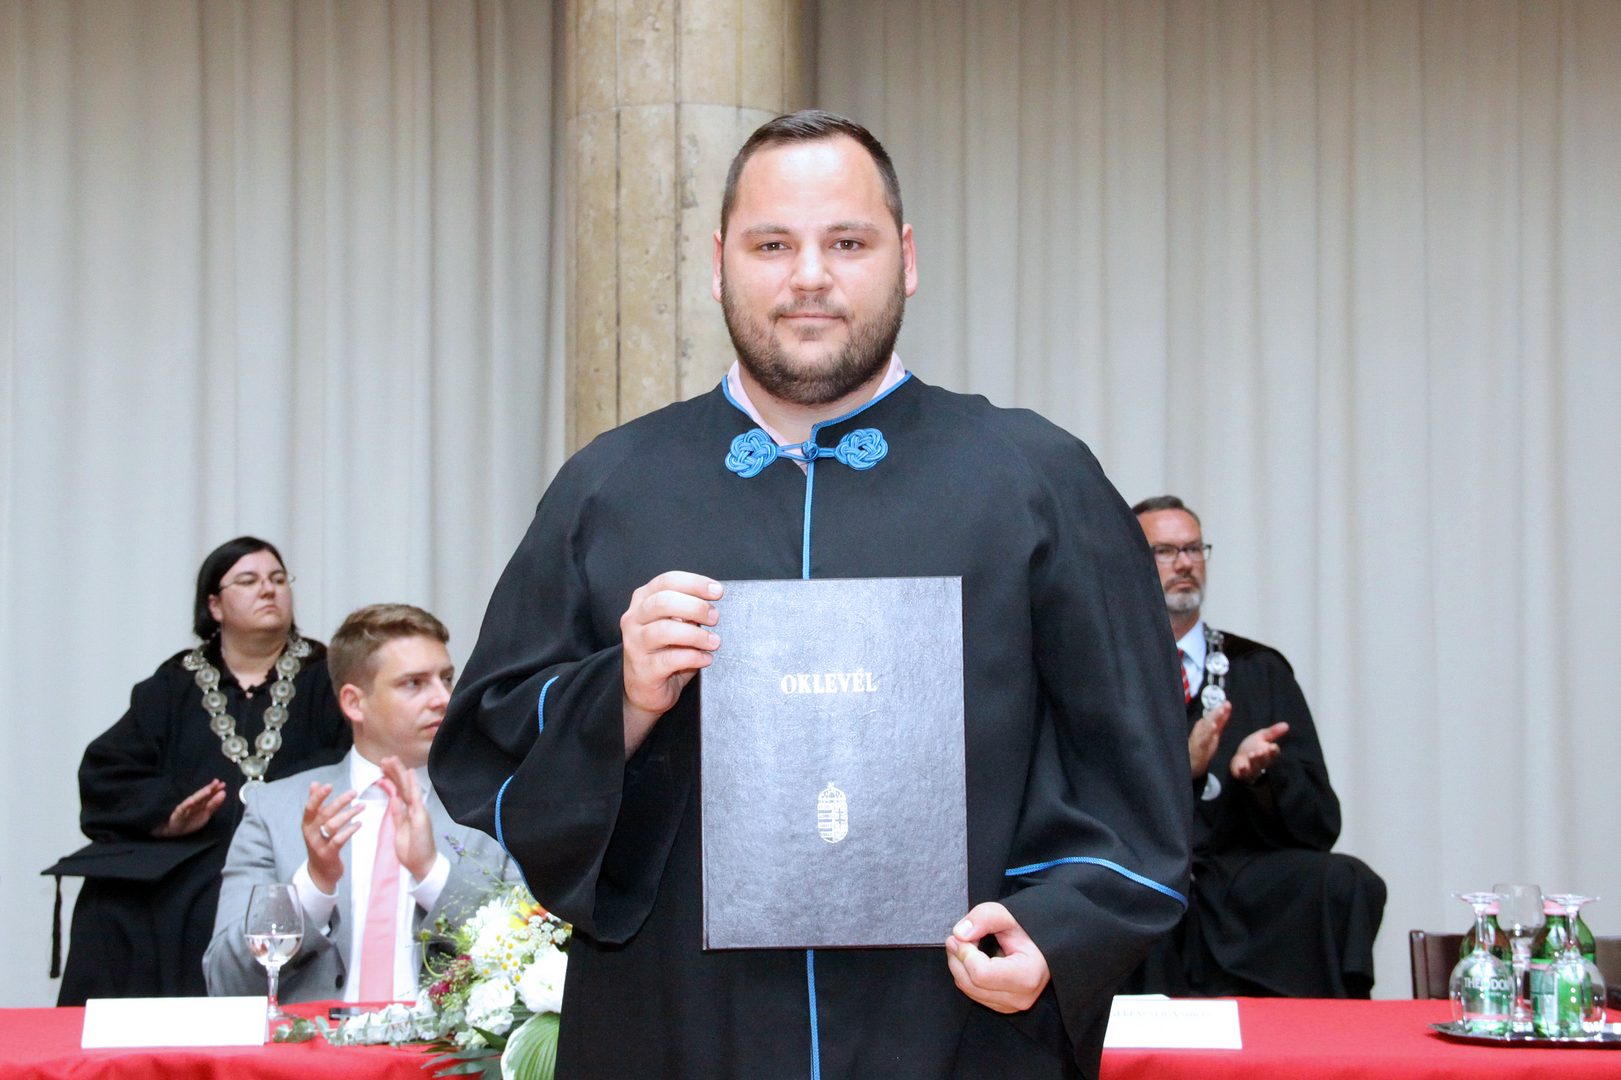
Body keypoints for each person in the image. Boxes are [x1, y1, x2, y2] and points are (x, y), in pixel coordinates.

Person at [430, 110, 1192, 1079]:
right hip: (677, 1022)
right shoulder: (609, 488)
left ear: (906, 259)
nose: (809, 277)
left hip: (955, 1023)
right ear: (718, 264)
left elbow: (1131, 762)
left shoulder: (1035, 481)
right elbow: (487, 743)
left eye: (847, 243)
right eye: (771, 245)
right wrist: (618, 697)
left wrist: (1057, 930)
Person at [53, 537, 351, 1004]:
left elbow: (352, 757)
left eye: (277, 579)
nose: (268, 590)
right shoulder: (173, 683)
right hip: (196, 853)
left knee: (234, 899)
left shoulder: (328, 676)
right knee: (110, 903)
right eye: (248, 581)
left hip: (290, 851)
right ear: (214, 605)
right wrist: (167, 815)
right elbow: (107, 770)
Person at [1124, 495, 1386, 997]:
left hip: (1237, 880)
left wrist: (1265, 777)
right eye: (1165, 551)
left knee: (1345, 882)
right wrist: (1184, 770)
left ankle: (1321, 1037)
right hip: (1142, 870)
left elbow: (1321, 826)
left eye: (1193, 548)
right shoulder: (1104, 672)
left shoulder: (1259, 669)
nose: (1184, 563)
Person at [204, 604, 511, 1003]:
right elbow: (225, 981)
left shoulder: (493, 806)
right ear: (354, 703)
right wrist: (313, 886)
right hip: (313, 1042)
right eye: (414, 683)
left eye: (446, 678)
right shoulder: (273, 811)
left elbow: (531, 960)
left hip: (444, 1042)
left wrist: (432, 874)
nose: (443, 698)